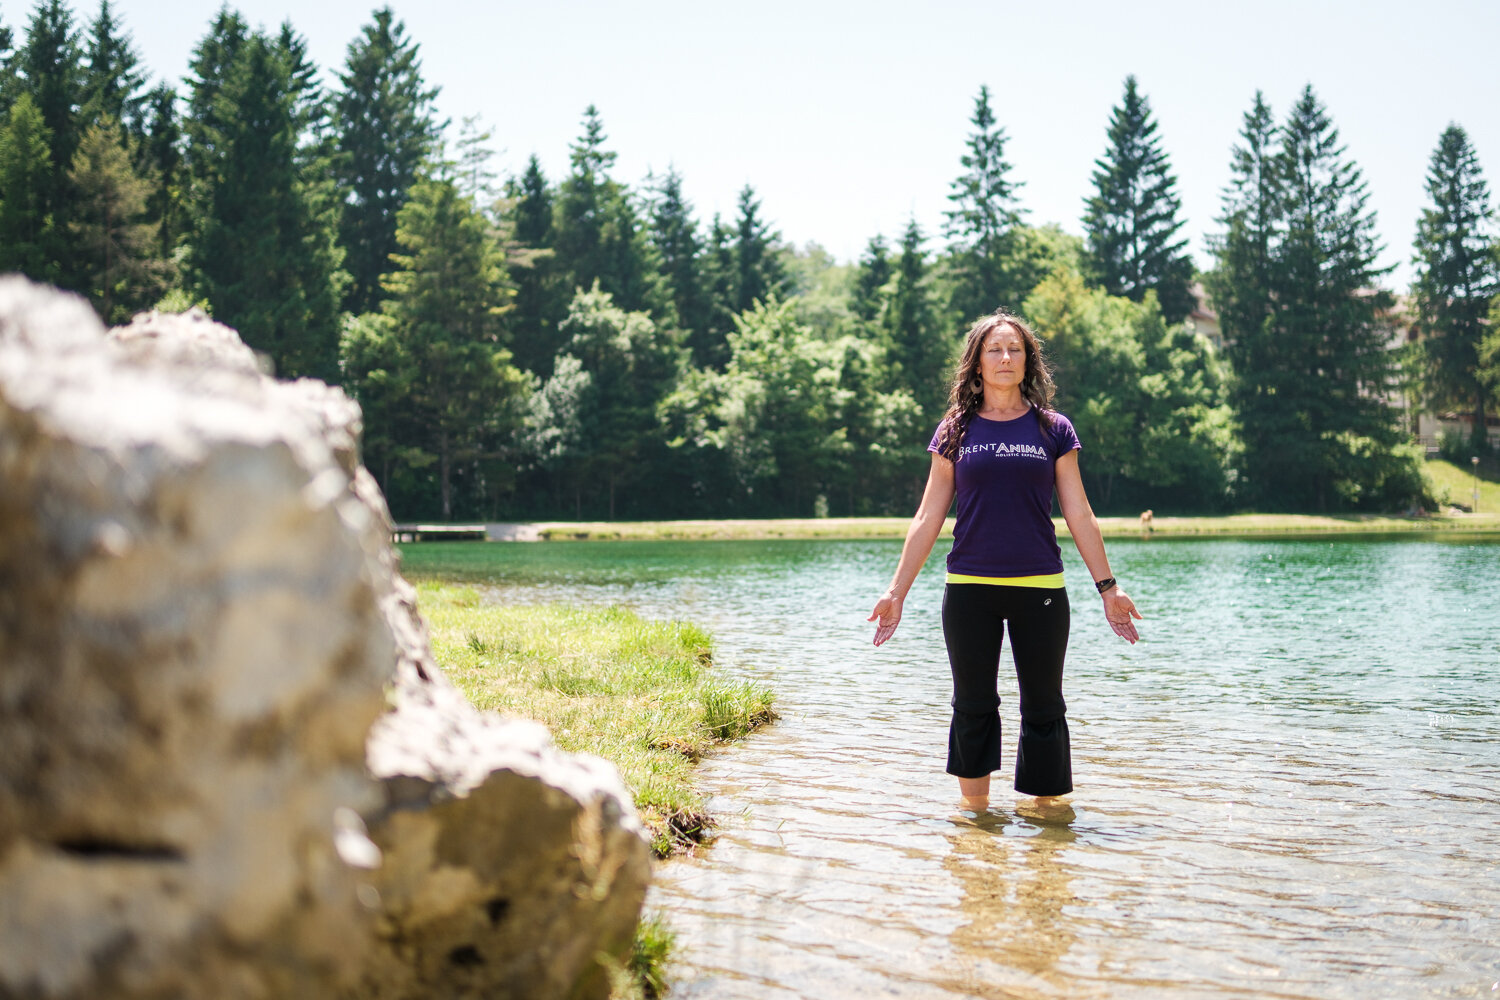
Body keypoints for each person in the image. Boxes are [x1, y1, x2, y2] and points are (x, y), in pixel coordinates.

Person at [867, 309, 1141, 813]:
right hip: (969, 589)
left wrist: (1109, 588)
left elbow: (1079, 511)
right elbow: (928, 515)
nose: (1005, 358)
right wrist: (896, 592)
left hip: (1041, 588)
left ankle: (1047, 835)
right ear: (976, 364)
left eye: (1015, 349)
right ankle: (975, 821)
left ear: (1028, 361)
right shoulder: (955, 430)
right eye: (994, 349)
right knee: (973, 706)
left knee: (1043, 707)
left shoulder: (1053, 429)